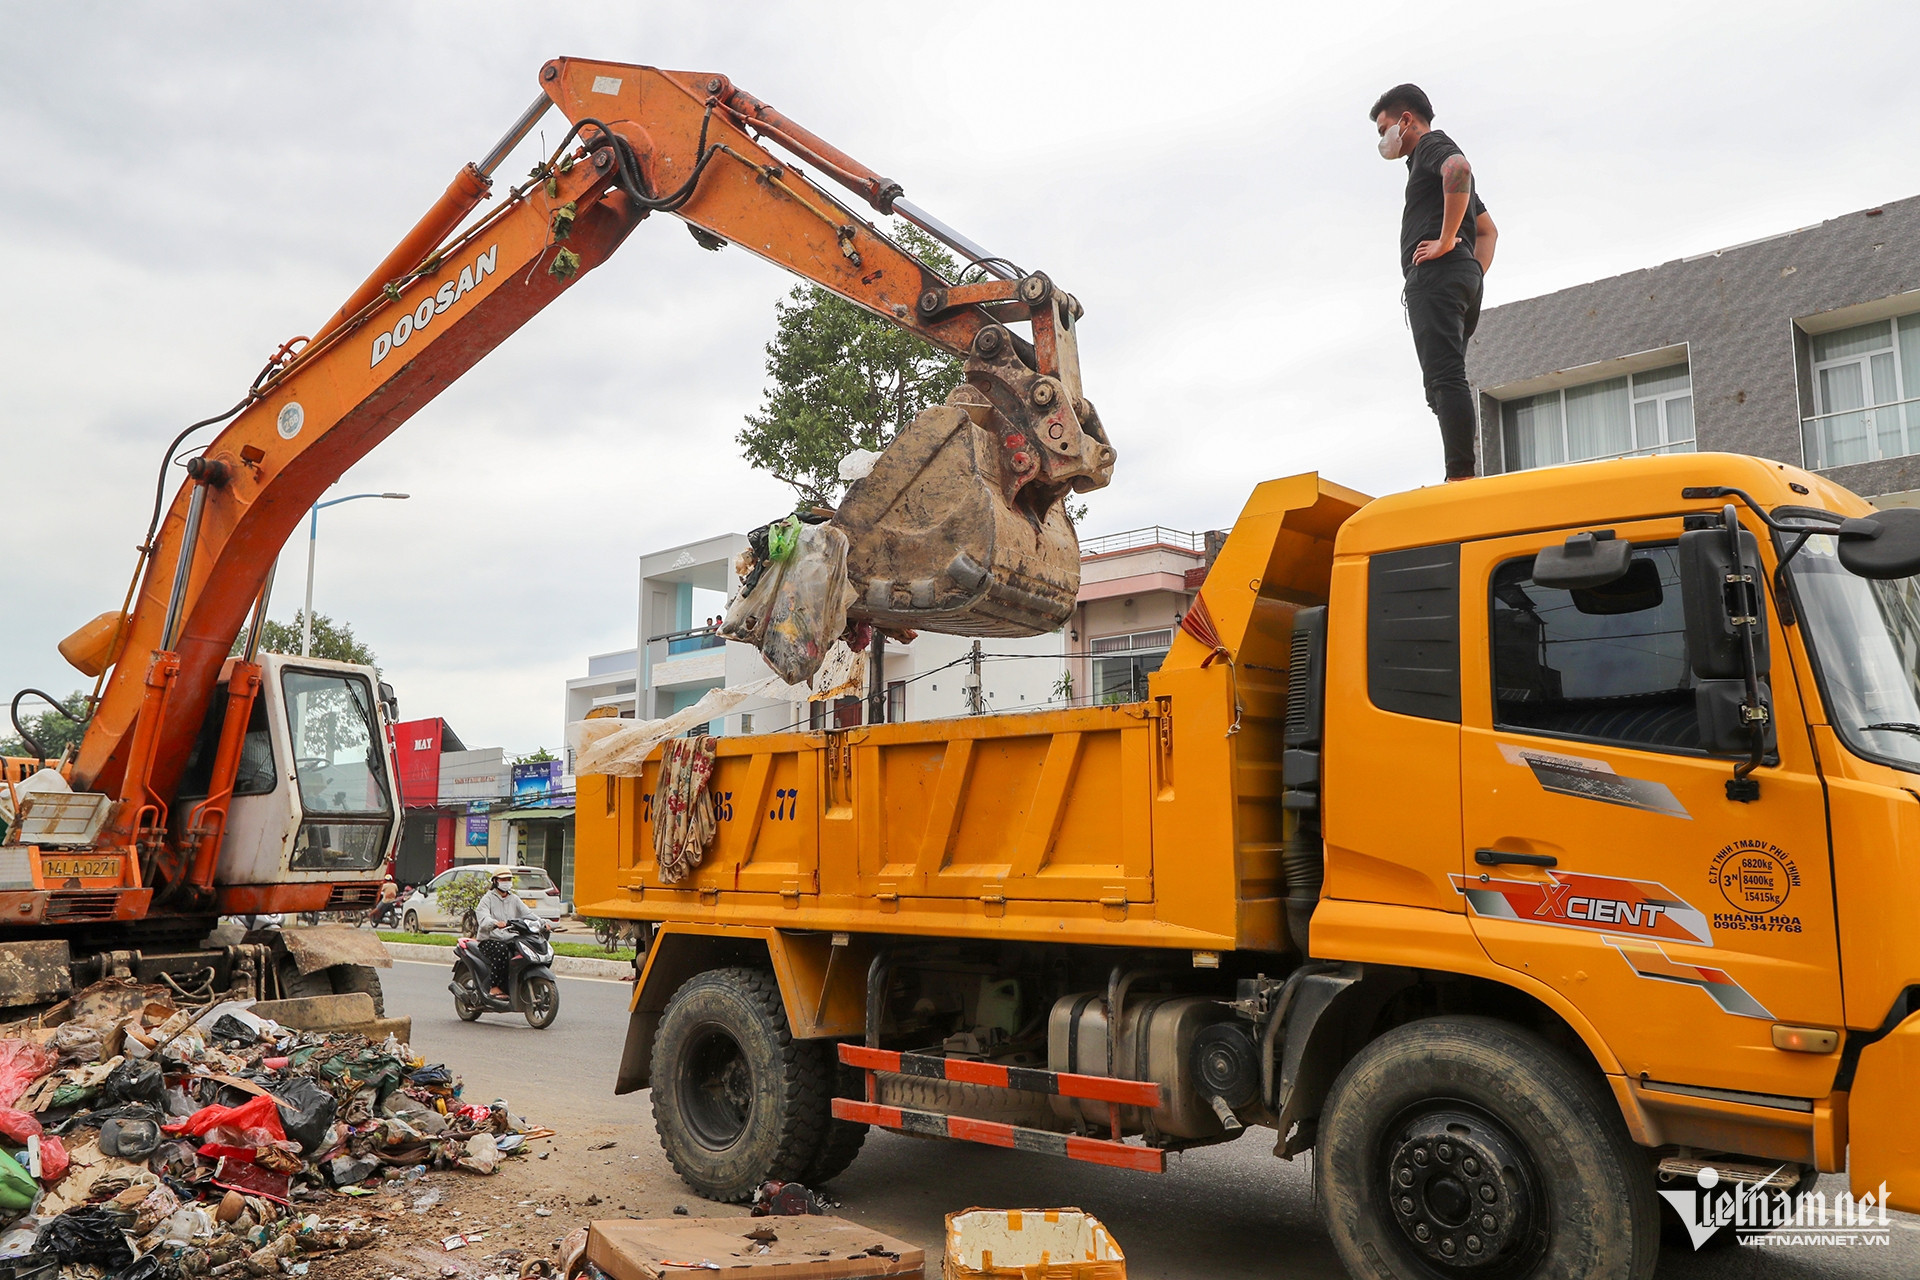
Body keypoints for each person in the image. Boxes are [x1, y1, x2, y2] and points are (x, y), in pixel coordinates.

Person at [1370, 83, 1498, 482]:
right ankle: (1459, 469)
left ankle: (1460, 476)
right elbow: (1488, 231)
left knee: (1444, 378)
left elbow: (1458, 170)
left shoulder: (1430, 146)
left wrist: (1444, 244)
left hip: (1437, 276)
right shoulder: (1423, 163)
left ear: (1406, 120)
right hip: (1460, 276)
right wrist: (1472, 271)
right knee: (1441, 384)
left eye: (1384, 127)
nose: (1383, 139)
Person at [474, 871, 537, 997]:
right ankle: (495, 987)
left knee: (527, 949)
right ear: (495, 881)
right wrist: (495, 923)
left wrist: (542, 923)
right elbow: (483, 918)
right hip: (489, 939)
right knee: (502, 951)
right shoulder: (487, 899)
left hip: (509, 938)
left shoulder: (514, 899)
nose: (506, 882)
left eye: (509, 879)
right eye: (503, 880)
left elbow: (528, 914)